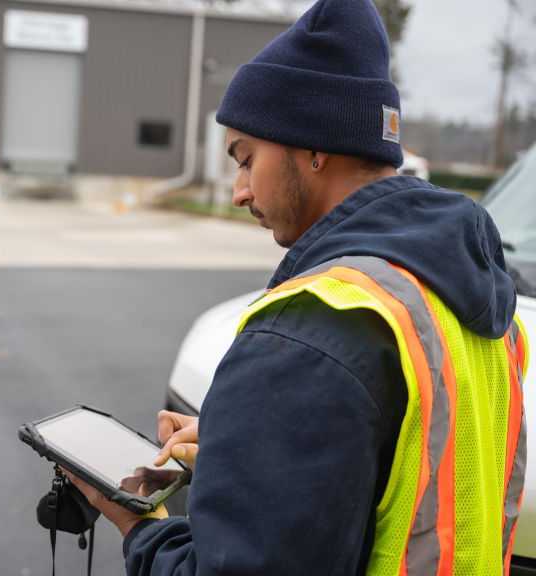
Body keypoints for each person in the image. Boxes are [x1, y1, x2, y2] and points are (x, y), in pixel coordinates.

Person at [66, 0, 529, 573]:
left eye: (245, 157)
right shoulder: (476, 302)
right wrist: (253, 437)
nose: (239, 191)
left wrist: (138, 526)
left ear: (314, 147)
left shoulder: (311, 332)